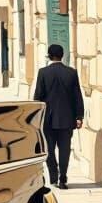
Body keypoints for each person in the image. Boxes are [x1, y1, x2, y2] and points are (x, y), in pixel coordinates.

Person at [33, 43, 84, 189]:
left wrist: (35, 117)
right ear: (62, 56)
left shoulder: (43, 72)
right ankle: (63, 178)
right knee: (65, 150)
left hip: (48, 119)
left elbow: (38, 96)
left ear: (49, 56)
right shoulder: (71, 73)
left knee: (49, 149)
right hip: (67, 119)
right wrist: (79, 116)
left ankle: (54, 176)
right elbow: (77, 96)